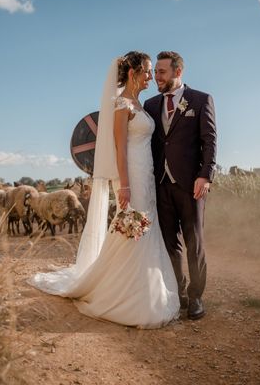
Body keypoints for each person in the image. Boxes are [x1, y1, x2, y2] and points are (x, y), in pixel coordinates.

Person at [29, 51, 180, 329]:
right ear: (133, 72)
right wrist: (123, 184)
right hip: (131, 174)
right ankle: (129, 296)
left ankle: (143, 287)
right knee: (133, 229)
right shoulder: (121, 104)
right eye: (147, 70)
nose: (150, 76)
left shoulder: (139, 104)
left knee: (146, 228)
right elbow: (119, 148)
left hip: (145, 173)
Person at [143, 51, 217, 320]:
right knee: (168, 243)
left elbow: (209, 140)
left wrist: (205, 175)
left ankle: (197, 296)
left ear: (178, 72)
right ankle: (179, 292)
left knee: (193, 241)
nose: (156, 78)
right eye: (154, 73)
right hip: (160, 185)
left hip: (191, 184)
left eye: (161, 72)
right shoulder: (150, 105)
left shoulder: (200, 99)